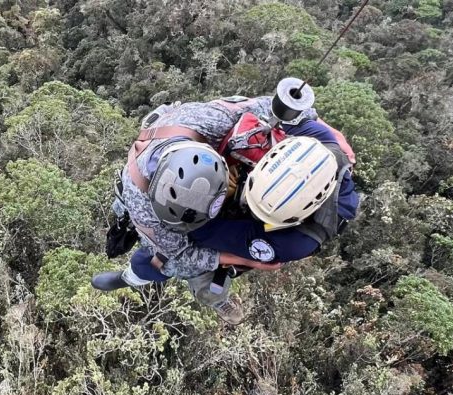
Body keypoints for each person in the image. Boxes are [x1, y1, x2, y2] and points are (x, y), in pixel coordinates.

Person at [92, 94, 359, 324]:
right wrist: (243, 260)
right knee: (160, 260)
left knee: (209, 280)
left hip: (255, 183)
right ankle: (129, 278)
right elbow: (182, 256)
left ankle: (213, 297)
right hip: (165, 217)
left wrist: (304, 115)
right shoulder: (144, 204)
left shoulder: (208, 121)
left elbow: (273, 107)